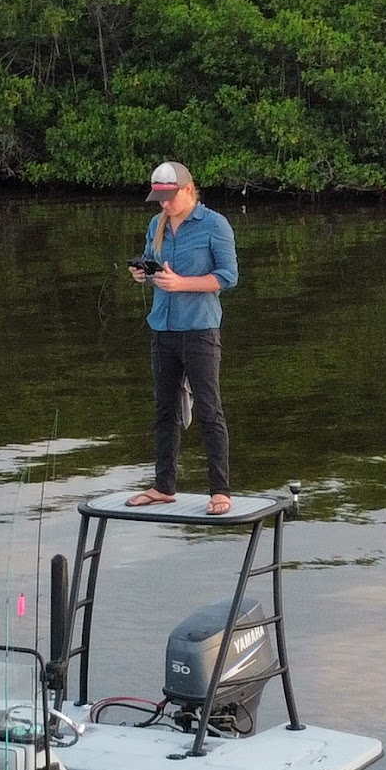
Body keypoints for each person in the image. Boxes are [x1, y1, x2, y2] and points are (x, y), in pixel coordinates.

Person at [126, 160, 240, 515]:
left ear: (189, 190)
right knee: (164, 410)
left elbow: (228, 276)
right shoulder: (156, 223)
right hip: (163, 328)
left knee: (209, 410)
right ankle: (163, 485)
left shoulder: (214, 224)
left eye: (169, 197)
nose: (164, 204)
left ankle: (220, 490)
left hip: (200, 328)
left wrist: (182, 284)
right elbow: (152, 261)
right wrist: (142, 273)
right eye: (159, 198)